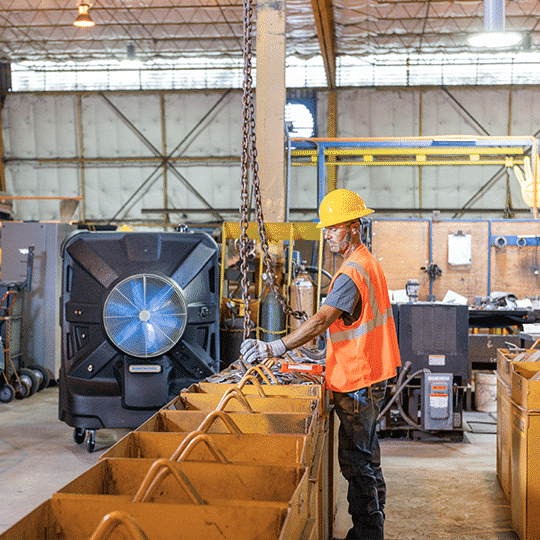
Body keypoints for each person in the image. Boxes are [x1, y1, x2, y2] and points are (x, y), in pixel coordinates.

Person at [240, 189, 401, 540]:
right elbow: (351, 324)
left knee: (357, 461)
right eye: (326, 229)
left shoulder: (350, 273)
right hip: (370, 371)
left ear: (354, 228)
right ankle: (374, 525)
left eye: (333, 228)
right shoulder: (365, 262)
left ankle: (367, 533)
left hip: (358, 379)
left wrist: (274, 348)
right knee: (368, 456)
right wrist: (322, 354)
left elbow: (319, 322)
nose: (327, 234)